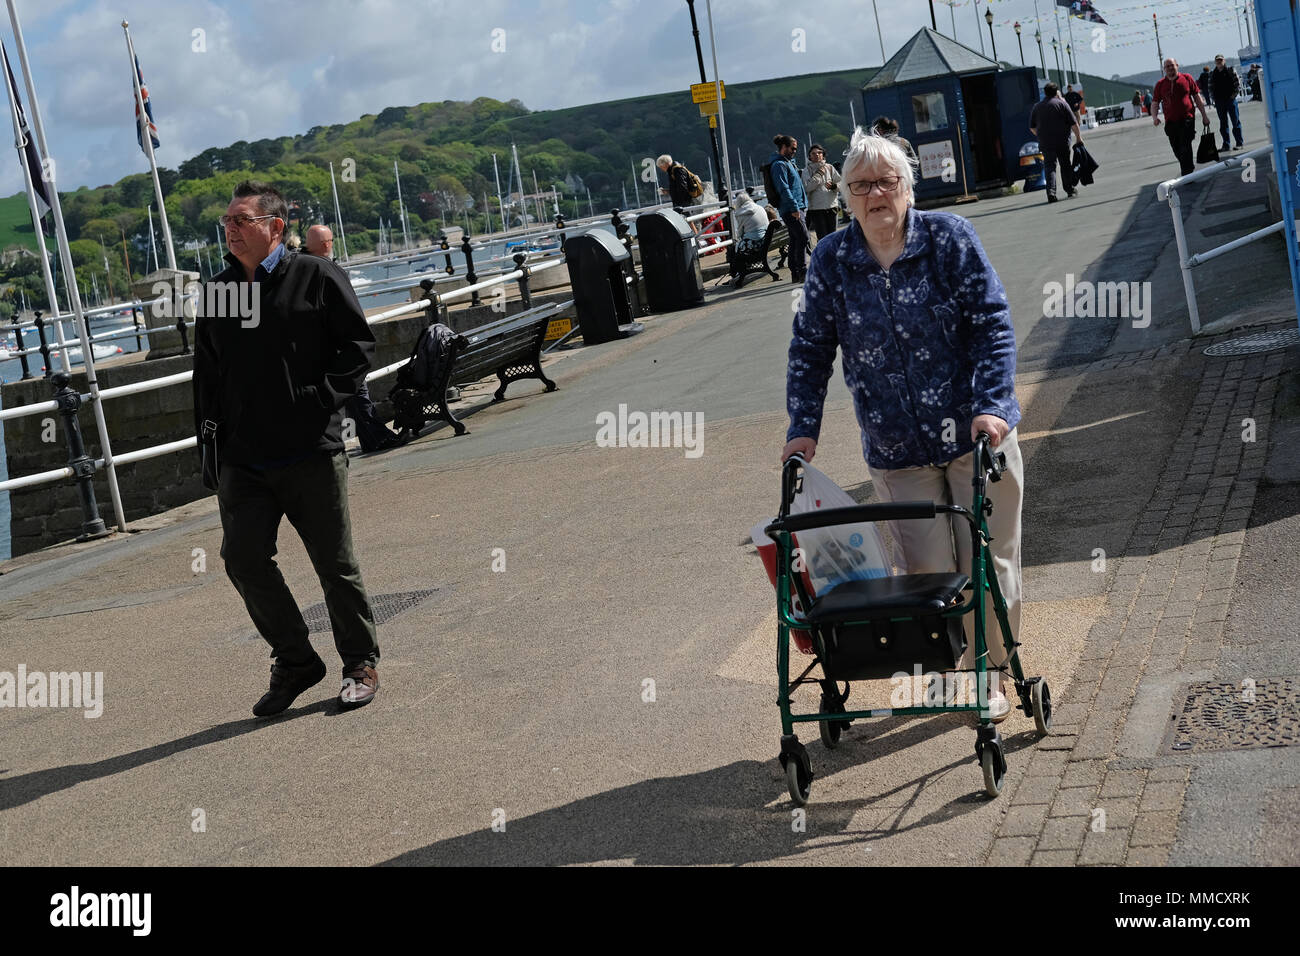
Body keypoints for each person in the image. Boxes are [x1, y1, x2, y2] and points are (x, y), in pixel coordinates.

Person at [782, 128, 1024, 722]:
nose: (874, 195)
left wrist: (991, 404)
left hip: (976, 435)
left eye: (886, 182)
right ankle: (949, 673)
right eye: (860, 185)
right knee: (924, 573)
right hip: (897, 446)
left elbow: (992, 324)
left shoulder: (949, 238)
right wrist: (803, 426)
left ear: (907, 187)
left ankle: (991, 672)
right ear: (845, 197)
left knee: (986, 564)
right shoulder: (832, 260)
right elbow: (811, 347)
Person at [193, 180, 382, 717]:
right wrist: (211, 446)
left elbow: (357, 347)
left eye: (242, 220)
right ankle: (296, 660)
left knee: (334, 563)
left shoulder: (315, 276)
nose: (231, 229)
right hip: (243, 459)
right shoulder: (220, 291)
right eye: (227, 222)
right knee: (243, 560)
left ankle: (360, 663)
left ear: (275, 227)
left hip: (309, 450)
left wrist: (319, 398)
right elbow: (206, 376)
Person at [1152, 57, 1212, 176]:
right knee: (1177, 149)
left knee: (1185, 146)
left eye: (1172, 65)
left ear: (1177, 66)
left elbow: (1197, 97)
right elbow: (1155, 103)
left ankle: (1187, 174)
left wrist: (1204, 115)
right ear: (1164, 69)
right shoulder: (1160, 84)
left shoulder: (1186, 78)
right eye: (1167, 66)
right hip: (1170, 122)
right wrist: (1154, 117)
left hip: (1187, 119)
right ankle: (1188, 167)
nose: (1170, 68)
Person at [1029, 82, 1083, 203]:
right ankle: (1069, 189)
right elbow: (1073, 123)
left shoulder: (1037, 107)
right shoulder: (1062, 104)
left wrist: (1041, 135)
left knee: (1049, 167)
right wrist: (1079, 138)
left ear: (1045, 92)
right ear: (1056, 92)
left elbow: (1032, 128)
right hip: (1062, 141)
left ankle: (1051, 193)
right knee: (1065, 164)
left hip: (1046, 142)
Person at [767, 134, 810, 283]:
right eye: (793, 148)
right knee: (803, 237)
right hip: (791, 208)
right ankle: (801, 269)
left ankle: (795, 271)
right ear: (784, 147)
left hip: (796, 206)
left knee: (795, 239)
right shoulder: (779, 165)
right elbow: (784, 188)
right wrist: (794, 207)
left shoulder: (788, 163)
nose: (794, 151)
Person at [801, 144, 841, 245]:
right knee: (822, 238)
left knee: (833, 236)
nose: (817, 155)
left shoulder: (830, 168)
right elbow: (807, 188)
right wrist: (818, 175)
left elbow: (841, 184)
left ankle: (833, 259)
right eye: (813, 153)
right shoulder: (807, 170)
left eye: (819, 153)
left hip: (832, 207)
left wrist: (834, 186)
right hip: (816, 210)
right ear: (809, 156)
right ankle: (824, 259)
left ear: (823, 155)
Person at [1210, 55, 1245, 151]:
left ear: (1224, 61)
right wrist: (1214, 99)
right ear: (1215, 62)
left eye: (1220, 60)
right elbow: (1210, 88)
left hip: (1230, 100)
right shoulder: (1213, 74)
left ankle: (1239, 143)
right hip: (1219, 102)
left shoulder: (1230, 70)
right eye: (1217, 60)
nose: (1219, 62)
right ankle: (1226, 145)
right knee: (1223, 124)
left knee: (1235, 122)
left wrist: (1233, 96)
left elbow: (1238, 84)